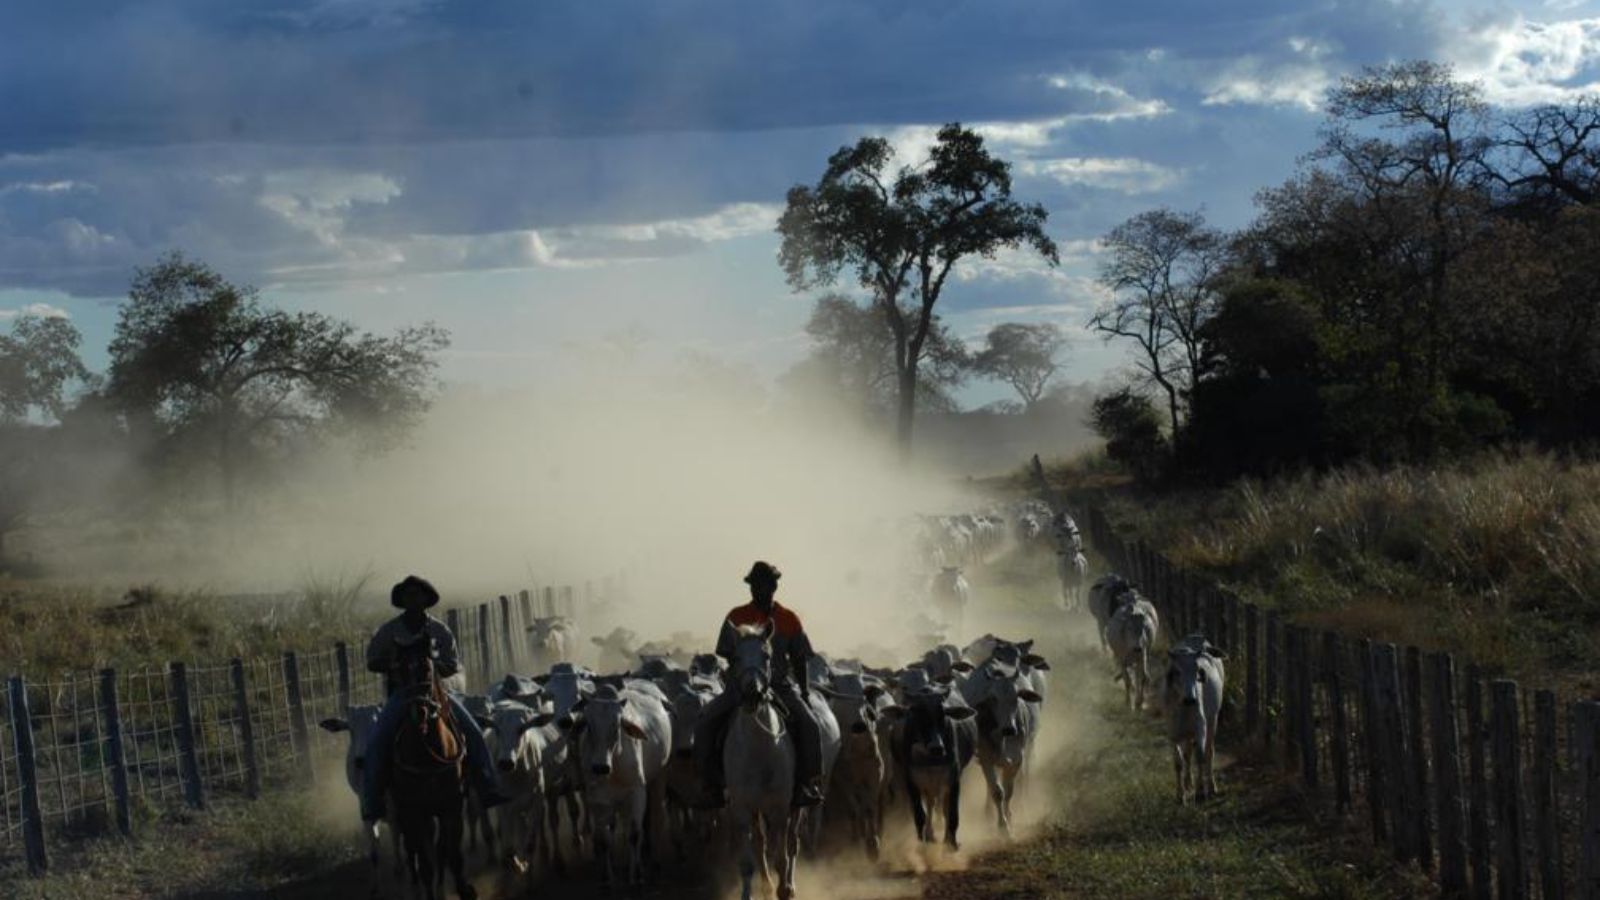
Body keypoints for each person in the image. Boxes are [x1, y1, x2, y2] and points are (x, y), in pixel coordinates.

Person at [360, 575, 512, 822]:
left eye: (417, 594)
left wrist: (429, 667)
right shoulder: (389, 631)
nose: (413, 599)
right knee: (377, 739)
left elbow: (453, 664)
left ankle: (487, 786)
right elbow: (372, 660)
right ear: (401, 600)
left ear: (426, 599)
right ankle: (372, 801)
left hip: (437, 692)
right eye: (408, 595)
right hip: (402, 694)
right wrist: (396, 664)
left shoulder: (439, 630)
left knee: (473, 731)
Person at [693, 560, 825, 809]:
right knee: (705, 722)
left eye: (763, 585)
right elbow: (725, 652)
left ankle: (807, 783)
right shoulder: (736, 617)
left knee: (810, 725)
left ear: (774, 587)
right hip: (739, 687)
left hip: (779, 687)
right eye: (754, 585)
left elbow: (799, 658)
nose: (757, 590)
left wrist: (805, 692)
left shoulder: (788, 619)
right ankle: (711, 785)